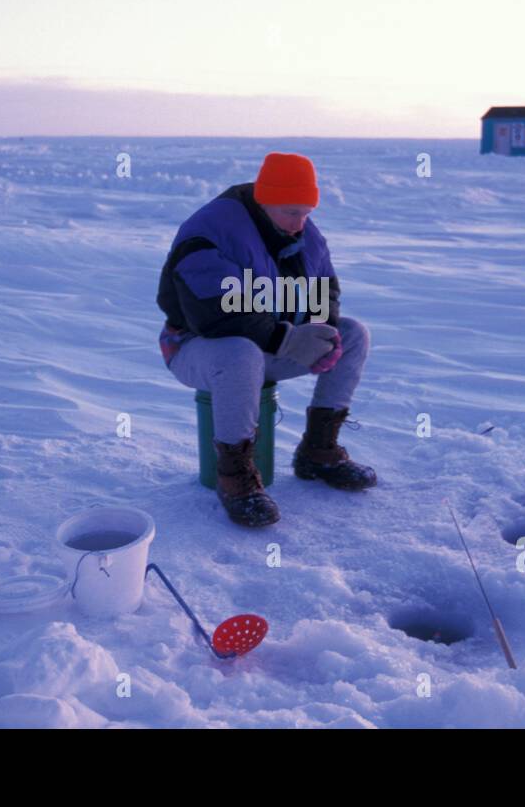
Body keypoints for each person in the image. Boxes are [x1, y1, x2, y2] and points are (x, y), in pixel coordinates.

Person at [156, 152, 376, 527]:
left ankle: (318, 452)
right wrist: (289, 341)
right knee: (239, 352)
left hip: (268, 345)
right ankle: (235, 477)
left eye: (307, 212)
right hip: (196, 347)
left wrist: (323, 335)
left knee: (354, 333)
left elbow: (326, 291)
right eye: (292, 212)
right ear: (263, 200)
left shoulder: (306, 233)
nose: (300, 223)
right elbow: (214, 313)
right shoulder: (210, 231)